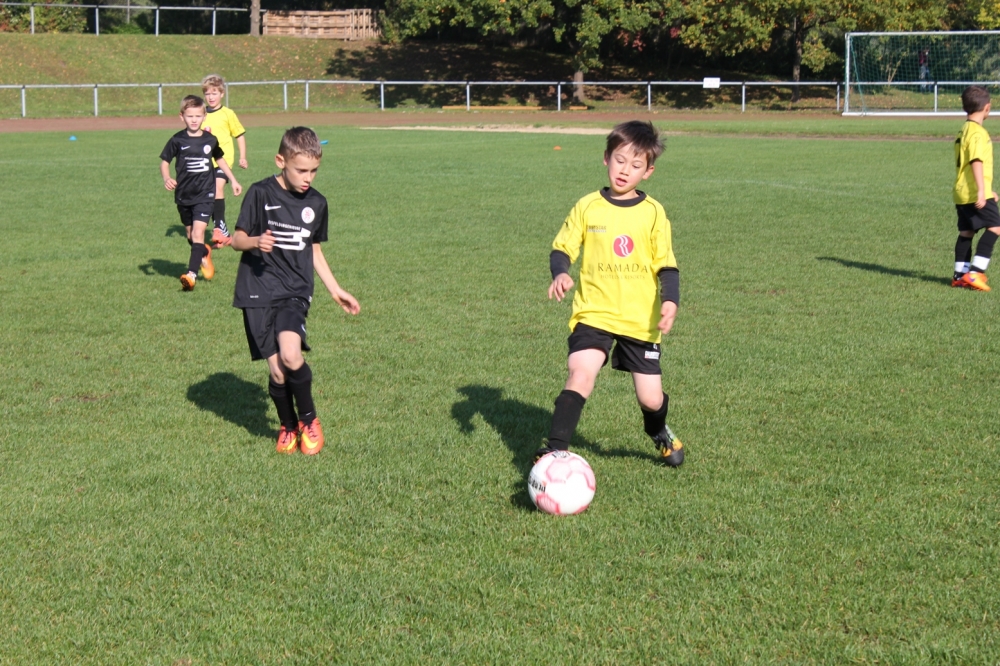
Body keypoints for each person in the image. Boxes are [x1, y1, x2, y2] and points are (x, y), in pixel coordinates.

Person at [539, 120, 684, 467]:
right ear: (606, 158)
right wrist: (561, 272)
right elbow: (563, 248)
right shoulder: (588, 206)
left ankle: (658, 430)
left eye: (635, 165)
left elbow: (667, 264)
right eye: (619, 160)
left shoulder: (653, 212)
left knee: (650, 399)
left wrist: (670, 300)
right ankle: (554, 452)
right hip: (594, 313)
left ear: (648, 172)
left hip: (639, 319)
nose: (625, 170)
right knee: (580, 374)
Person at [232, 127, 360, 455]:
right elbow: (237, 239)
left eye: (314, 170)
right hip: (257, 288)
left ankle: (309, 419)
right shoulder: (260, 193)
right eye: (301, 170)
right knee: (277, 372)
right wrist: (255, 241)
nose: (308, 178)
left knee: (291, 355)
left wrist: (335, 289)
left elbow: (313, 249)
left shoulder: (317, 203)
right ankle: (287, 426)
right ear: (281, 161)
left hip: (294, 289)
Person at [159, 95, 242, 291]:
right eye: (190, 116)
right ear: (182, 116)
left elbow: (220, 160)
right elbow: (165, 162)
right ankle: (204, 253)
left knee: (198, 233)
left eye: (198, 116)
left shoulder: (210, 139)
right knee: (190, 235)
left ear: (204, 116)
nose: (194, 120)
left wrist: (233, 180)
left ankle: (191, 275)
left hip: (205, 194)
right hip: (183, 195)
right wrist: (167, 178)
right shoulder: (177, 140)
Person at [952, 85, 999, 292]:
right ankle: (976, 273)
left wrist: (988, 189)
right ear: (987, 107)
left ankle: (959, 275)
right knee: (995, 227)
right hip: (974, 191)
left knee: (967, 232)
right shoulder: (978, 133)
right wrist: (982, 190)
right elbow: (976, 161)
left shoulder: (964, 129)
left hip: (961, 192)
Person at [201, 74, 248, 248]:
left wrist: (242, 157)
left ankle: (218, 229)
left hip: (224, 160)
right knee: (211, 195)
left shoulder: (228, 114)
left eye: (214, 93)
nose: (211, 97)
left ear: (222, 94)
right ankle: (223, 233)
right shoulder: (201, 114)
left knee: (217, 187)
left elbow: (239, 135)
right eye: (207, 93)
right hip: (205, 162)